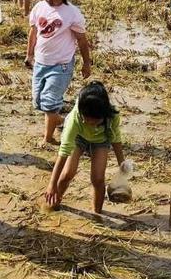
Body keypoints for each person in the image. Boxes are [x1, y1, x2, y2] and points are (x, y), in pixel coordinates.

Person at [25, 0, 91, 145]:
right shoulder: (39, 8)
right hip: (40, 63)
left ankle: (48, 139)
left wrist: (86, 63)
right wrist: (29, 54)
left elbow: (82, 40)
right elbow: (33, 32)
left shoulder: (72, 13)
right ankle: (66, 122)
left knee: (49, 103)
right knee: (38, 102)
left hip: (60, 66)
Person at [45, 82, 125, 214]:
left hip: (101, 140)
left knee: (98, 178)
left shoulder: (113, 116)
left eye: (95, 121)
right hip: (78, 137)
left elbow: (116, 139)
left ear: (104, 115)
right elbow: (64, 152)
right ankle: (54, 205)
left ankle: (97, 214)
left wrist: (121, 164)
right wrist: (51, 185)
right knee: (67, 174)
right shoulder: (75, 120)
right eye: (86, 120)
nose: (90, 124)